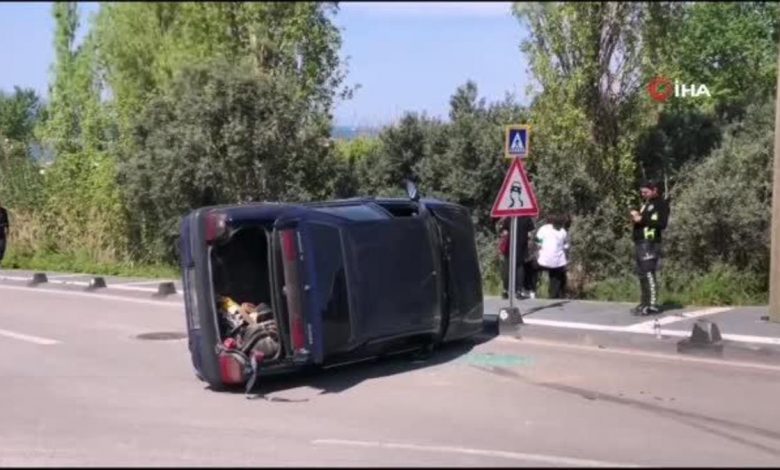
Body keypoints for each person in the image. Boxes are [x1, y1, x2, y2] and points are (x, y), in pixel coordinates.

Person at [630, 179, 670, 316]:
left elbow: (662, 224)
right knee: (642, 275)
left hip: (650, 243)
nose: (643, 194)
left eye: (646, 192)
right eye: (642, 192)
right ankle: (644, 303)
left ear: (654, 190)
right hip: (640, 243)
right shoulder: (646, 204)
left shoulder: (661, 204)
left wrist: (642, 220)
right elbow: (643, 221)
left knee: (649, 274)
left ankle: (652, 305)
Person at [497, 216, 535, 299]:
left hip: (509, 247)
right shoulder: (527, 218)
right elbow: (530, 234)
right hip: (521, 246)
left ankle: (506, 291)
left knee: (507, 268)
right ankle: (518, 291)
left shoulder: (509, 217)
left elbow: (504, 233)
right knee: (520, 268)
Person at [533, 214, 570, 299]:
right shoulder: (563, 232)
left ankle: (532, 288)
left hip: (543, 261)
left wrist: (539, 249)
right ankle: (554, 294)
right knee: (558, 274)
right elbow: (566, 246)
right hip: (557, 262)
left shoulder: (543, 229)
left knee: (531, 267)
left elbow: (537, 242)